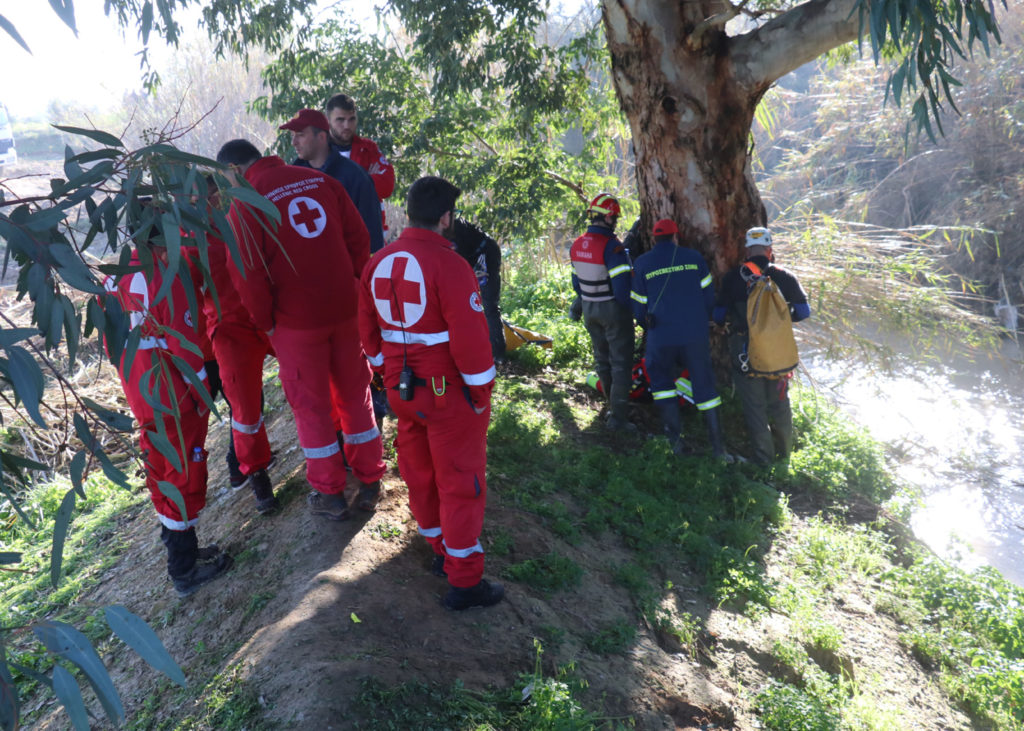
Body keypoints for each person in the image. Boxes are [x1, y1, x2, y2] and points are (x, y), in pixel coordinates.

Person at [216, 139, 386, 520]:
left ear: (234, 171)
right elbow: (359, 239)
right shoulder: (318, 180)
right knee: (356, 394)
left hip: (295, 322)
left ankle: (330, 494)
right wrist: (356, 287)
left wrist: (267, 323)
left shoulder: (244, 204)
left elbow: (248, 275)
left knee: (311, 407)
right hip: (345, 310)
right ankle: (371, 480)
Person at [358, 176, 503, 611]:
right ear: (446, 217)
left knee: (419, 473)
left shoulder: (376, 262)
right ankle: (464, 581)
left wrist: (384, 371)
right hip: (447, 395)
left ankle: (439, 549)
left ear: (408, 213)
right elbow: (471, 341)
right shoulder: (451, 265)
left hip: (404, 393)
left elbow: (367, 333)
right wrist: (482, 393)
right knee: (460, 482)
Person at [103, 211, 232, 597]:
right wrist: (202, 395)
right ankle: (185, 568)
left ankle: (180, 546)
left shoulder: (113, 279)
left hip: (142, 395)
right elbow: (185, 346)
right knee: (184, 472)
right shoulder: (166, 276)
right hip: (175, 396)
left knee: (161, 470)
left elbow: (112, 348)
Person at [182, 177, 278, 514]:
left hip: (269, 318)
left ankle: (337, 444)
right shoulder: (188, 244)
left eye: (215, 193)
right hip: (230, 333)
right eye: (204, 196)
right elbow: (185, 301)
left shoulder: (246, 219)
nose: (212, 200)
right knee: (245, 410)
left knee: (309, 377)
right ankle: (257, 477)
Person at [713, 227, 811, 465]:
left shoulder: (734, 277)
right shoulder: (785, 276)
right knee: (779, 402)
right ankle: (785, 457)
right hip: (777, 353)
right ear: (770, 250)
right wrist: (777, 323)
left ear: (747, 250)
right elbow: (804, 312)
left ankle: (763, 460)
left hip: (745, 352)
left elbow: (718, 315)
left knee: (755, 407)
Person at [631, 219, 726, 457]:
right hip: (694, 334)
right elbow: (708, 298)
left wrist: (648, 326)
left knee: (662, 385)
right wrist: (701, 322)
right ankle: (718, 449)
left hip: (660, 336)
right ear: (676, 236)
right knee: (704, 385)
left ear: (654, 239)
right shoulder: (694, 259)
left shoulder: (642, 263)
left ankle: (675, 444)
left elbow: (638, 308)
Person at [569, 193, 636, 431]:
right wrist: (635, 313)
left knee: (602, 360)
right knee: (620, 363)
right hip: (612, 310)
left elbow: (576, 284)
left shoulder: (576, 245)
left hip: (589, 308)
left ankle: (611, 407)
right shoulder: (613, 247)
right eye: (615, 217)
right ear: (608, 217)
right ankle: (618, 419)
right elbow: (621, 290)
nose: (616, 222)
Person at [281, 107, 385, 254]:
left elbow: (372, 242)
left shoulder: (355, 177)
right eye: (292, 135)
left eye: (300, 135)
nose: (294, 142)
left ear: (322, 137)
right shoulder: (290, 178)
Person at [325, 93, 396, 234]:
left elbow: (387, 187)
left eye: (351, 119)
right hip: (336, 235)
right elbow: (325, 197)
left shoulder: (369, 148)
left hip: (372, 234)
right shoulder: (319, 152)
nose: (347, 125)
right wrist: (366, 177)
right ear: (328, 121)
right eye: (340, 120)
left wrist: (343, 184)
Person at [447, 216, 506, 361]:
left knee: (489, 305)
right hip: (472, 257)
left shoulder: (452, 226)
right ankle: (470, 347)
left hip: (485, 254)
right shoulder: (438, 229)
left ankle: (497, 354)